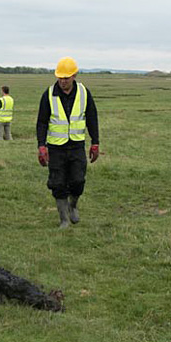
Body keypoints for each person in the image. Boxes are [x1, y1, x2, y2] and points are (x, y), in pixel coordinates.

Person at [36, 56, 100, 228]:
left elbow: (92, 118)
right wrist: (41, 146)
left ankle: (73, 206)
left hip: (77, 145)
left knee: (78, 181)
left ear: (74, 75)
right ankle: (64, 219)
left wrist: (95, 142)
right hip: (56, 148)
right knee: (57, 183)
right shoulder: (48, 94)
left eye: (66, 77)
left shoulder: (84, 93)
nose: (63, 81)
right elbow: (42, 122)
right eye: (60, 77)